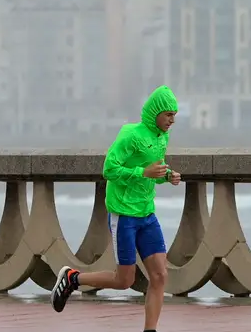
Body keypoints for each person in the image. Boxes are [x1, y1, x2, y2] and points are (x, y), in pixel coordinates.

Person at [50, 85, 181, 332]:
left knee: (160, 276)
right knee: (124, 280)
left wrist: (167, 176)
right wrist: (143, 172)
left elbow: (154, 169)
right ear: (155, 112)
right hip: (124, 215)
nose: (172, 120)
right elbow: (108, 170)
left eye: (175, 115)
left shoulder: (162, 137)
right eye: (168, 115)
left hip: (147, 213)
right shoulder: (130, 134)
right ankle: (72, 279)